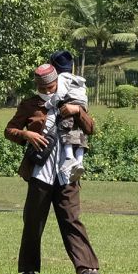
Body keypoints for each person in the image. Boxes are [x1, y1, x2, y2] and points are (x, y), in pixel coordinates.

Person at [5, 63, 101, 274]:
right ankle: (28, 270)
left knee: (72, 220)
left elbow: (91, 129)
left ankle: (85, 269)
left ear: (57, 82)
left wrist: (78, 111)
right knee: (33, 222)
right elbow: (9, 130)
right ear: (37, 85)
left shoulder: (71, 100)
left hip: (68, 173)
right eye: (42, 87)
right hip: (40, 174)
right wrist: (26, 134)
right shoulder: (30, 105)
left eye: (51, 87)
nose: (47, 91)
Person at [48, 50, 89, 181]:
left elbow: (60, 94)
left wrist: (50, 103)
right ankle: (80, 162)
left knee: (65, 130)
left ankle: (69, 158)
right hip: (82, 107)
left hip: (70, 104)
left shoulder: (62, 78)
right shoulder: (78, 79)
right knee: (80, 135)